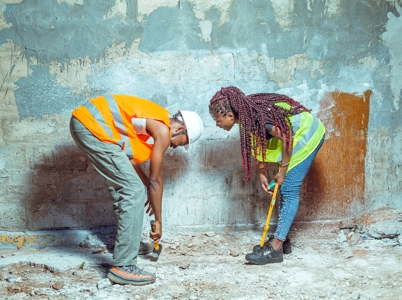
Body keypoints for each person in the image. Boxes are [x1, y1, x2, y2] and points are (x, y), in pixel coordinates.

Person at [70, 94, 204, 284]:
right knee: (132, 191)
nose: (175, 147)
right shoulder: (163, 130)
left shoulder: (150, 121)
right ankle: (123, 266)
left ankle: (128, 244)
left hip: (87, 124)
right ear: (180, 129)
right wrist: (158, 221)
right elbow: (156, 180)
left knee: (126, 188)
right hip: (90, 126)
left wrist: (147, 187)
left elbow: (131, 162)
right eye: (181, 143)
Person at [208, 86, 325, 265]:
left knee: (289, 188)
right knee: (284, 189)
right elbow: (259, 141)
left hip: (307, 136)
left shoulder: (259, 118)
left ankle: (276, 248)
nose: (217, 124)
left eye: (218, 120)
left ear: (230, 116)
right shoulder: (247, 117)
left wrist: (282, 172)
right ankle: (282, 239)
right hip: (294, 138)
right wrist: (262, 172)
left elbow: (287, 139)